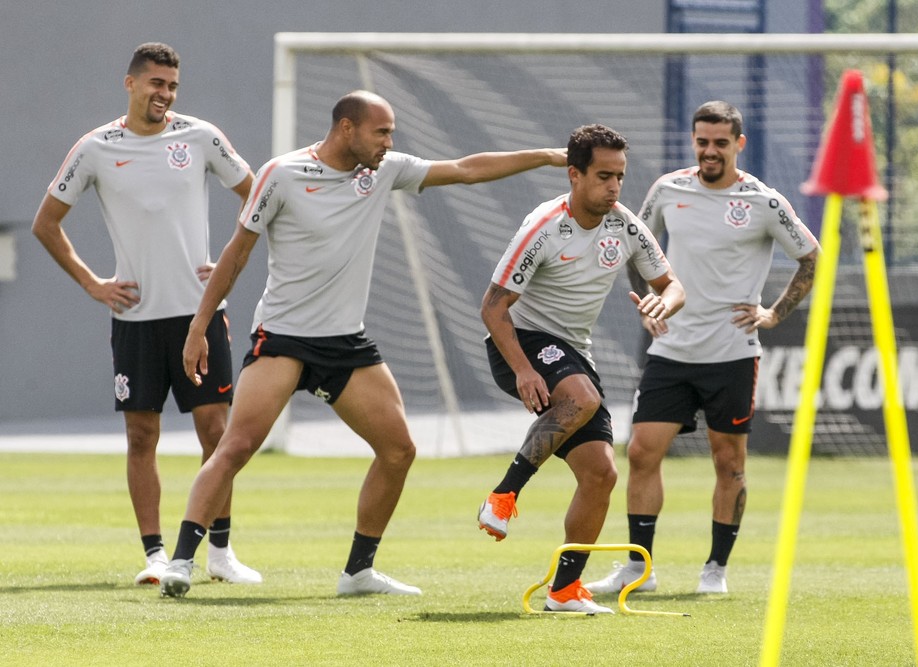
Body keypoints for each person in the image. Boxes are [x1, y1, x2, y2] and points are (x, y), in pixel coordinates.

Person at [157, 89, 567, 598]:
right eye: (382, 131)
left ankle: (358, 572)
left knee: (398, 451)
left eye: (391, 132)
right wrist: (199, 327)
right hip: (283, 339)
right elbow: (236, 254)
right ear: (346, 128)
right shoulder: (280, 173)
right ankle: (179, 562)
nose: (389, 142)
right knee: (234, 447)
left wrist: (548, 156)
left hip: (346, 345)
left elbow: (464, 169)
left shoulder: (384, 171)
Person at [32, 42, 261, 586]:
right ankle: (155, 555)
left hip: (199, 316)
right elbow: (46, 223)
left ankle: (221, 553)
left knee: (215, 432)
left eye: (173, 86)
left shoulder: (202, 137)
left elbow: (260, 199)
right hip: (135, 319)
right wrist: (93, 283)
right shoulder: (94, 148)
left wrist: (228, 263)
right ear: (130, 83)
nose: (165, 95)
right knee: (141, 435)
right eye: (156, 83)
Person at [585, 101, 820, 596]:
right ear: (694, 141)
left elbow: (810, 256)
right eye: (702, 141)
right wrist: (651, 299)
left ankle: (715, 569)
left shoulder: (763, 201)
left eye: (720, 142)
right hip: (670, 351)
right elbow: (636, 241)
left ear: (739, 144)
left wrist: (773, 314)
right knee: (643, 453)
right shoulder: (668, 190)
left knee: (728, 462)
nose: (710, 151)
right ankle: (638, 568)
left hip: (733, 354)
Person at [476, 124, 685, 614]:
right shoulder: (544, 226)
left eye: (620, 177)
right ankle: (504, 495)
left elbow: (673, 283)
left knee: (601, 474)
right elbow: (492, 307)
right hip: (519, 345)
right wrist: (525, 371)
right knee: (585, 397)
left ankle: (565, 590)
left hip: (572, 354)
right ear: (574, 175)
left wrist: (662, 304)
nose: (614, 188)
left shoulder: (625, 224)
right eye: (603, 176)